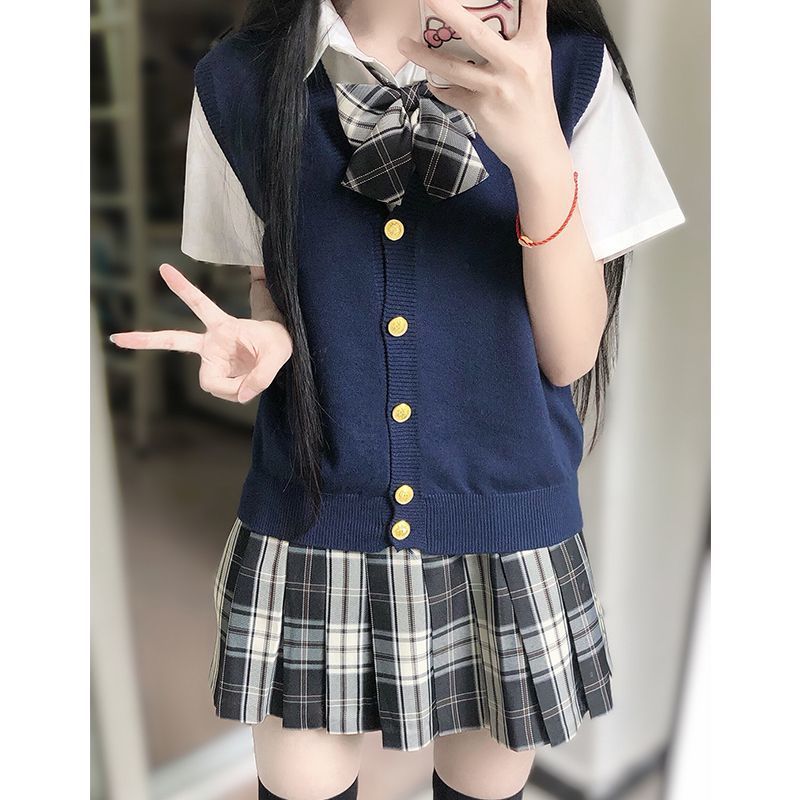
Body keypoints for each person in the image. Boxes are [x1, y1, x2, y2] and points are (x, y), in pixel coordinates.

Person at [111, 0, 685, 797]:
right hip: (316, 514)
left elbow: (570, 355)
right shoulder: (239, 82)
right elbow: (272, 275)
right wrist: (271, 333)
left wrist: (540, 156)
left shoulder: (569, 69)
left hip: (504, 527)